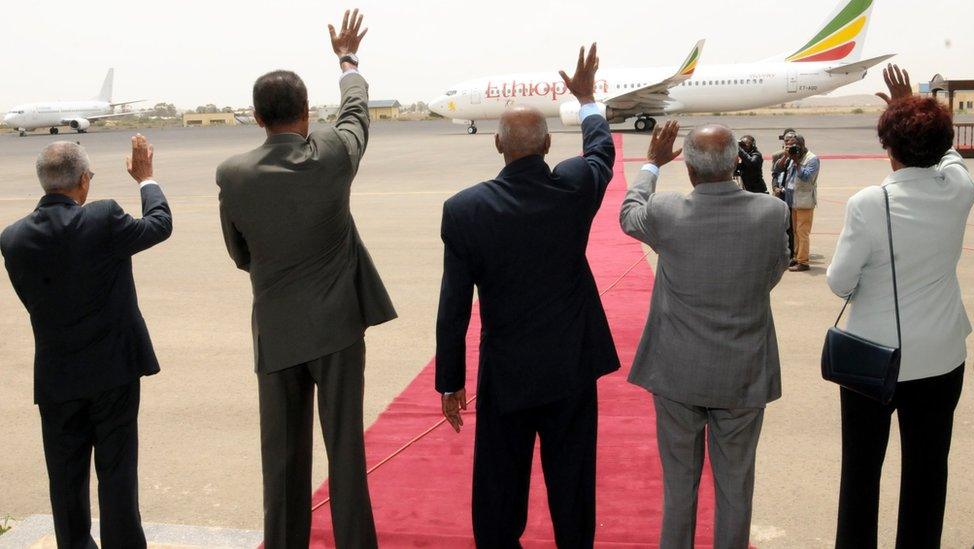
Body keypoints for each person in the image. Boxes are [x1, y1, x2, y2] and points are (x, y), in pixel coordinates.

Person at [216, 10, 395, 549]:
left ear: (255, 117)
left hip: (277, 330)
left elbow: (239, 253)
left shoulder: (233, 174)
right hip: (338, 327)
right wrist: (347, 61)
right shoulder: (333, 154)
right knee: (345, 452)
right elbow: (357, 112)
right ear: (307, 111)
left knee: (283, 458)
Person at [435, 44, 618, 547]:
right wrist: (587, 100)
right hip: (571, 366)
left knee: (499, 486)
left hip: (507, 371)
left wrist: (450, 381)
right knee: (572, 484)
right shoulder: (573, 189)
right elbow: (601, 152)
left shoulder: (466, 210)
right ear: (545, 147)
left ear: (498, 145)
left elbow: (454, 306)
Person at [620, 121, 790, 549]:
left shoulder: (666, 211)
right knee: (735, 488)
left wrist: (652, 166)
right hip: (743, 374)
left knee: (679, 489)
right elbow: (775, 269)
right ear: (736, 162)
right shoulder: (772, 213)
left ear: (690, 170)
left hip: (678, 373)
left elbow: (628, 214)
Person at [826, 64, 974, 549]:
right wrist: (912, 105)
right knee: (928, 474)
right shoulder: (959, 187)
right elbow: (948, 154)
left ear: (888, 150)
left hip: (874, 359)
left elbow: (839, 282)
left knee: (862, 474)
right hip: (942, 357)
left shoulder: (870, 202)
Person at [0, 136, 172, 548]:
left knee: (65, 476)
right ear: (83, 181)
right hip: (114, 370)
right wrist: (146, 180)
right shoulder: (102, 218)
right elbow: (159, 224)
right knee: (117, 470)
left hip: (57, 375)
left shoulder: (13, 238)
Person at [774, 133, 820, 271]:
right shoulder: (791, 156)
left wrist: (796, 161)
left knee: (802, 232)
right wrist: (786, 156)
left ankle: (803, 262)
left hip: (804, 200)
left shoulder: (812, 159)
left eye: (794, 145)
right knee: (794, 232)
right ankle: (796, 257)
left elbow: (806, 177)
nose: (791, 148)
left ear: (801, 145)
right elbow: (777, 169)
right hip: (792, 199)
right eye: (788, 145)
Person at [771, 128, 797, 257]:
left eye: (792, 142)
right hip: (780, 192)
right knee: (780, 223)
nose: (789, 144)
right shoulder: (778, 155)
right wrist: (775, 187)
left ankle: (792, 251)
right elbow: (775, 173)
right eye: (787, 141)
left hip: (793, 194)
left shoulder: (800, 154)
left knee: (792, 225)